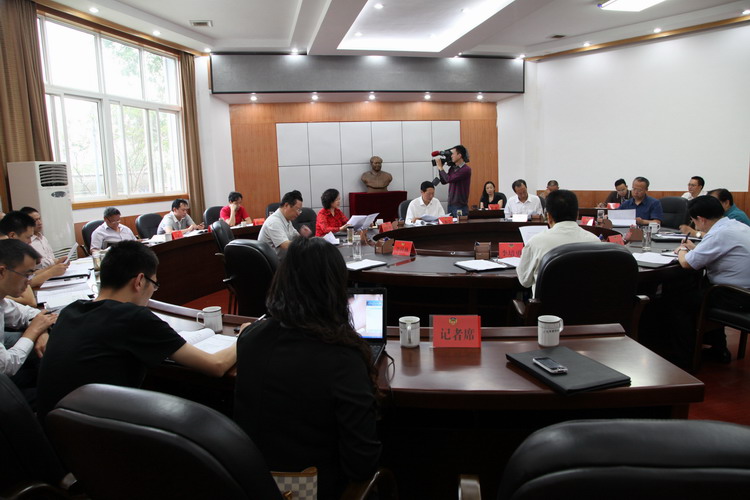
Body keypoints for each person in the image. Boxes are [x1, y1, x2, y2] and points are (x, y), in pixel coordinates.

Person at [234, 237, 381, 499]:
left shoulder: (250, 338)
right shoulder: (342, 357)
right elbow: (361, 462)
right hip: (311, 488)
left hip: (249, 482)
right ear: (336, 287)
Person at [36, 240, 237, 421]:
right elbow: (216, 365)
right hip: (96, 435)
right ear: (140, 281)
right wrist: (245, 335)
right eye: (154, 284)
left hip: (56, 428)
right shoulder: (133, 317)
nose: (152, 292)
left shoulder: (70, 311)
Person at [671, 196, 750, 364]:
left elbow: (686, 263)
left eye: (693, 221)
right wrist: (696, 248)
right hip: (743, 290)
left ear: (701, 219)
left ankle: (685, 358)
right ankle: (719, 350)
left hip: (736, 295)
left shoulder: (719, 233)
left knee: (679, 302)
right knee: (700, 289)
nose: (694, 225)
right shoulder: (735, 225)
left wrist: (682, 250)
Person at [516, 190, 601, 296]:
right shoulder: (595, 241)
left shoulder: (536, 242)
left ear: (549, 217)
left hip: (547, 306)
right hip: (585, 305)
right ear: (577, 215)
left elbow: (524, 281)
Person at [0, 240, 57, 378]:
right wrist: (33, 331)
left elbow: (30, 313)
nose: (29, 281)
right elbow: (5, 367)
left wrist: (41, 331)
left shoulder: (2, 301)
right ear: (2, 272)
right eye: (26, 275)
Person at [0, 211, 68, 289]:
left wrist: (55, 267)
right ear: (12, 235)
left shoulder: (15, 252)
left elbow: (31, 275)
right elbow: (20, 286)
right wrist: (51, 273)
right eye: (28, 237)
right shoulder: (5, 257)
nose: (30, 242)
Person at [258, 190, 312, 257]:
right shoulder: (274, 222)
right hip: (275, 262)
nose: (298, 213)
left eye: (300, 210)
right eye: (297, 209)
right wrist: (306, 244)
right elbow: (285, 245)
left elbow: (295, 237)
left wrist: (303, 236)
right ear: (286, 205)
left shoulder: (287, 220)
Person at [436, 145, 472, 216]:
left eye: (452, 154)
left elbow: (449, 179)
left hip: (460, 206)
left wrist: (440, 167)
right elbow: (444, 181)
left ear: (459, 155)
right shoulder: (452, 168)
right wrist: (440, 169)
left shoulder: (466, 169)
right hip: (451, 204)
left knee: (460, 223)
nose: (451, 156)